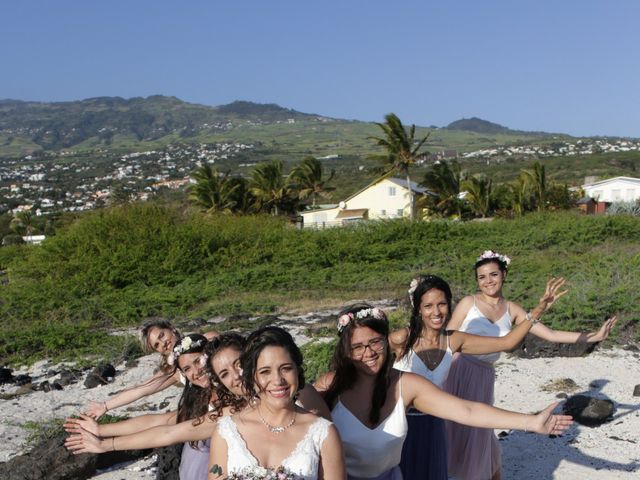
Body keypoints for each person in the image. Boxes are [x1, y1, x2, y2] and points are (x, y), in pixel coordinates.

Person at [315, 304, 573, 480]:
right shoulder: (329, 387)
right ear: (346, 351)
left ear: (386, 341)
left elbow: (467, 409)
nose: (368, 353)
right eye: (357, 347)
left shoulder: (407, 385)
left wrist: (530, 421)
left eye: (374, 342)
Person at [444, 250, 618, 480]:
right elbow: (446, 339)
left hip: (483, 376)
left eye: (493, 274)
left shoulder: (512, 309)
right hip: (458, 369)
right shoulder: (469, 302)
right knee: (451, 427)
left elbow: (551, 334)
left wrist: (593, 336)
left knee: (481, 433)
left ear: (504, 274)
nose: (488, 281)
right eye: (482, 277)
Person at [389, 274, 567, 480]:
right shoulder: (402, 338)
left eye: (442, 304)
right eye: (428, 306)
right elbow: (363, 361)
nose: (436, 312)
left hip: (435, 424)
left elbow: (506, 343)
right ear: (418, 309)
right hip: (401, 424)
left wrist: (538, 310)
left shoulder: (454, 340)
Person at [67, 333, 246, 479]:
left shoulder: (235, 395)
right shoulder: (200, 397)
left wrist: (107, 444)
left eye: (198, 361)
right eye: (187, 369)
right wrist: (101, 430)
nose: (195, 372)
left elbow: (170, 433)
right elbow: (160, 419)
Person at [208, 326, 346, 480]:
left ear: (297, 371)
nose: (278, 380)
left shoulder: (324, 434)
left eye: (286, 368)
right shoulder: (226, 432)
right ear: (251, 377)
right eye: (265, 371)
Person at [83, 320, 218, 419]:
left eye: (162, 335)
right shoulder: (173, 372)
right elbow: (142, 389)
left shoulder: (206, 340)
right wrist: (105, 406)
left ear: (171, 328)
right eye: (157, 345)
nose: (163, 343)